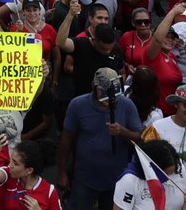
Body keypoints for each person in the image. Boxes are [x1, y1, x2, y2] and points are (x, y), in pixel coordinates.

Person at [58, 68, 144, 210]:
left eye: (113, 91)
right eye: (104, 91)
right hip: (84, 178)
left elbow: (139, 138)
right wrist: (62, 172)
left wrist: (122, 132)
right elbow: (66, 138)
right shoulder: (77, 104)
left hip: (116, 180)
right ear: (93, 85)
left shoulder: (127, 105)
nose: (109, 96)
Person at [112, 139, 186, 210]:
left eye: (172, 173)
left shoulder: (178, 168)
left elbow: (185, 201)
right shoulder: (129, 181)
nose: (170, 177)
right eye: (166, 174)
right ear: (152, 169)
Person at [0, 138, 62, 210]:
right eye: (11, 160)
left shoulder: (49, 191)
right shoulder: (9, 175)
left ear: (29, 170)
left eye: (15, 163)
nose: (10, 165)